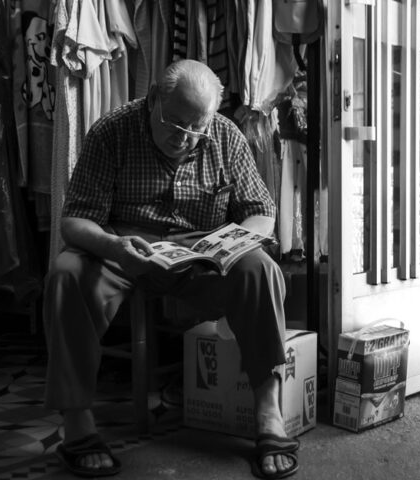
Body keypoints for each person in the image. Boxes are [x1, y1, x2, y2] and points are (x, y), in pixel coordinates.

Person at [42, 59, 299, 479]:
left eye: (197, 128)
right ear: (154, 100)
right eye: (176, 124)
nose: (186, 138)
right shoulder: (112, 131)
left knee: (261, 269)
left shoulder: (224, 136)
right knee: (67, 274)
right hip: (127, 247)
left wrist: (225, 246)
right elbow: (74, 221)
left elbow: (261, 214)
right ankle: (77, 426)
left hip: (200, 252)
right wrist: (114, 246)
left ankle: (268, 413)